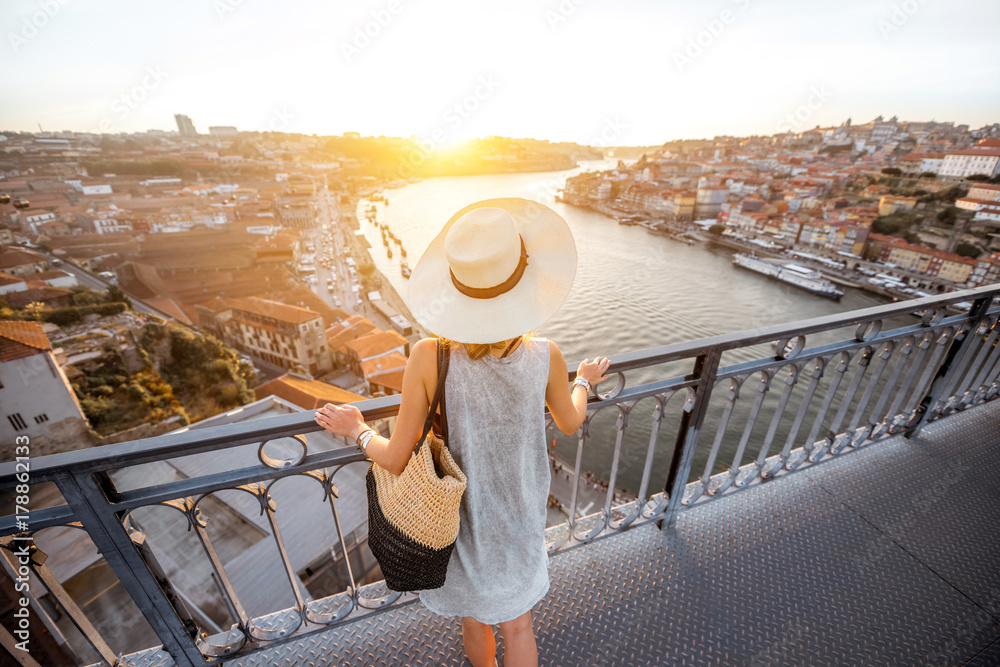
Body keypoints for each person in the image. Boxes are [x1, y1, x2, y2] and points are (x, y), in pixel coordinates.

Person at [314, 198, 610, 667]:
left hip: (461, 522)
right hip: (522, 515)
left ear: (456, 288)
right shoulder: (546, 355)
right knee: (519, 625)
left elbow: (393, 458)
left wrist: (359, 430)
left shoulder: (430, 355)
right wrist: (582, 382)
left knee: (475, 622)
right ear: (524, 279)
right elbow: (571, 422)